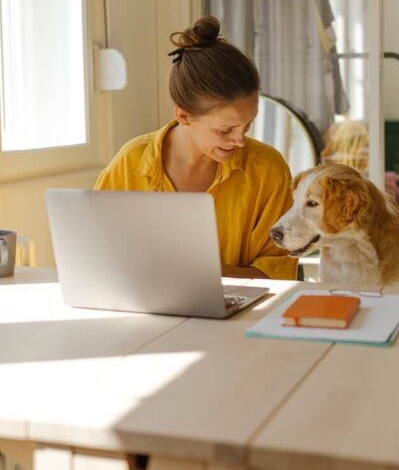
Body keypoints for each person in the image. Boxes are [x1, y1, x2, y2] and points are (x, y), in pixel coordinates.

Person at [94, 16, 298, 280]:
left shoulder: (268, 170)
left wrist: (197, 273)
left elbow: (278, 278)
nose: (240, 140)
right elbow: (96, 255)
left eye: (247, 124)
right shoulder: (130, 162)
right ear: (184, 116)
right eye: (225, 130)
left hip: (242, 318)